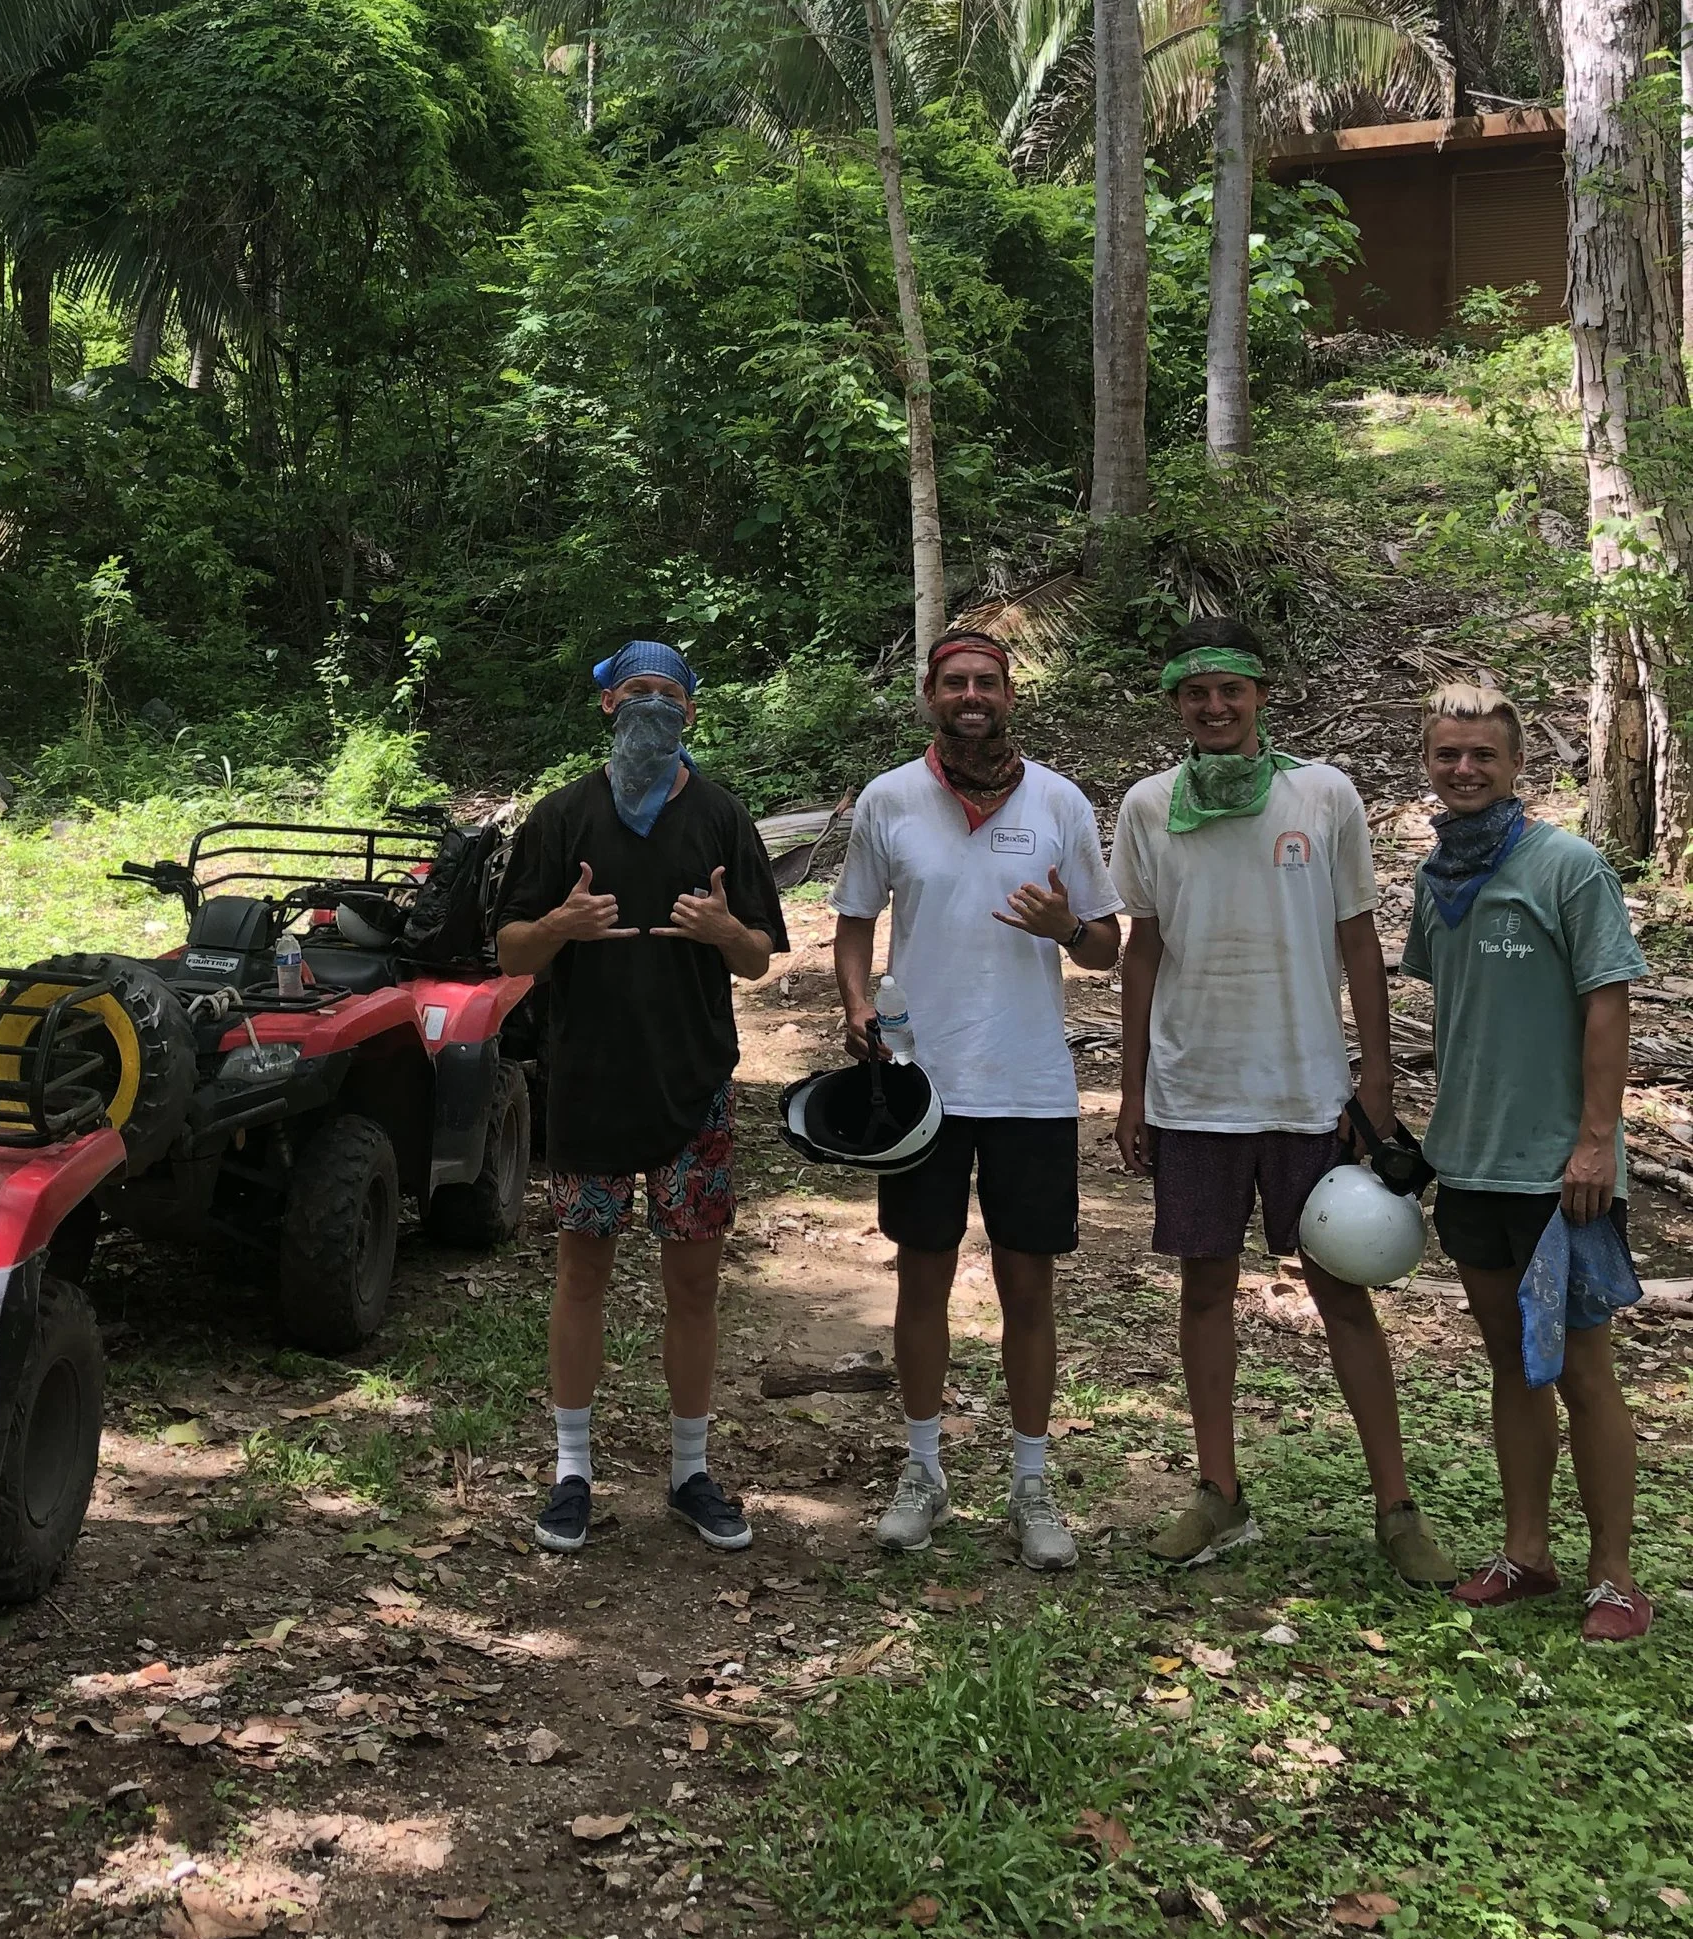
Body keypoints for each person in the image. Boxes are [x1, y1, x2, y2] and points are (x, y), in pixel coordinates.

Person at [1110, 619, 1452, 1582]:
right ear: (1176, 704)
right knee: (1204, 1288)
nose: (1215, 706)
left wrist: (1375, 1077)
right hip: (1195, 1090)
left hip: (1309, 1088)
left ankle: (1397, 1507)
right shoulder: (1148, 805)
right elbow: (1143, 950)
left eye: (1232, 689)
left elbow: (1358, 939)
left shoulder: (1323, 793)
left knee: (1342, 1290)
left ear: (1261, 694)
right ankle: (1218, 1491)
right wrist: (1131, 1088)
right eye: (1196, 693)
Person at [832, 627, 1120, 1571]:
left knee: (1028, 1285)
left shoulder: (1059, 801)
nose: (970, 695)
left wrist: (1067, 925)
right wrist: (857, 1004)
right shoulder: (889, 799)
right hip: (922, 1082)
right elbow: (853, 923)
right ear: (929, 694)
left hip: (1030, 1083)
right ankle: (923, 1471)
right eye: (954, 681)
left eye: (986, 681)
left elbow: (1107, 945)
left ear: (1009, 694)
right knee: (922, 1276)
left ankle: (1031, 1482)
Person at [495, 638, 789, 1555]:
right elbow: (509, 950)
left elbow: (759, 957)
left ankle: (691, 1471)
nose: (652, 704)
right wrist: (561, 922)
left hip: (693, 1087)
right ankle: (571, 1472)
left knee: (693, 1284)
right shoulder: (561, 816)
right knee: (581, 1273)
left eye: (669, 692)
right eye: (636, 691)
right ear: (607, 705)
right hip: (587, 1083)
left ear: (691, 711)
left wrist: (724, 929)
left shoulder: (722, 816)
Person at [1401, 681, 1650, 1638]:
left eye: (1483, 755)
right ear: (1428, 763)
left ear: (1516, 766)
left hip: (1559, 1170)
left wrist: (1595, 1140)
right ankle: (1527, 1553)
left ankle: (1615, 1576)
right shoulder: (1437, 879)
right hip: (1470, 1161)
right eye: (1447, 754)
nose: (1464, 769)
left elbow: (1608, 1002)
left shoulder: (1568, 867)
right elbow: (1458, 1015)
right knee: (1512, 1360)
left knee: (1583, 1368)